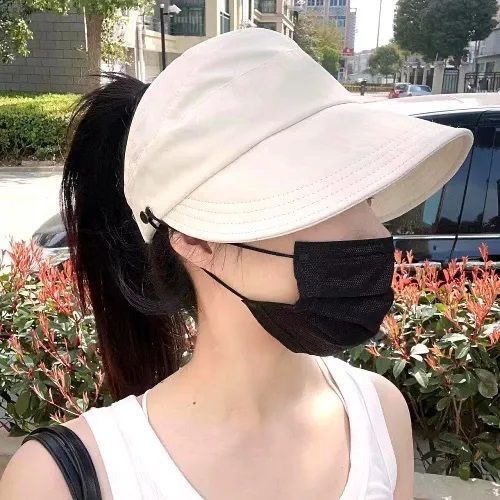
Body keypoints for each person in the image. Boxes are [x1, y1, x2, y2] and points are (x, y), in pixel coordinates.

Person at [1, 28, 472, 500]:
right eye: (326, 197)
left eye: (366, 195)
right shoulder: (59, 481)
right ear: (196, 241)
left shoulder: (379, 416)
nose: (376, 234)